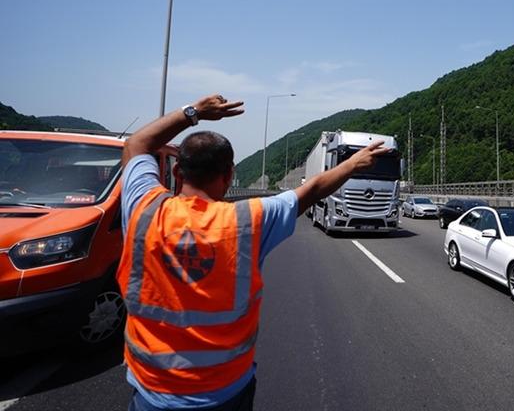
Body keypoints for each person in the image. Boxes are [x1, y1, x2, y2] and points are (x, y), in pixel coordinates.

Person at [118, 94, 388, 410]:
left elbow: (136, 144)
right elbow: (311, 190)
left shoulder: (143, 209)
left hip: (152, 391)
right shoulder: (249, 220)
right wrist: (353, 163)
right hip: (225, 392)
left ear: (178, 173)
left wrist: (195, 112)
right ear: (229, 176)